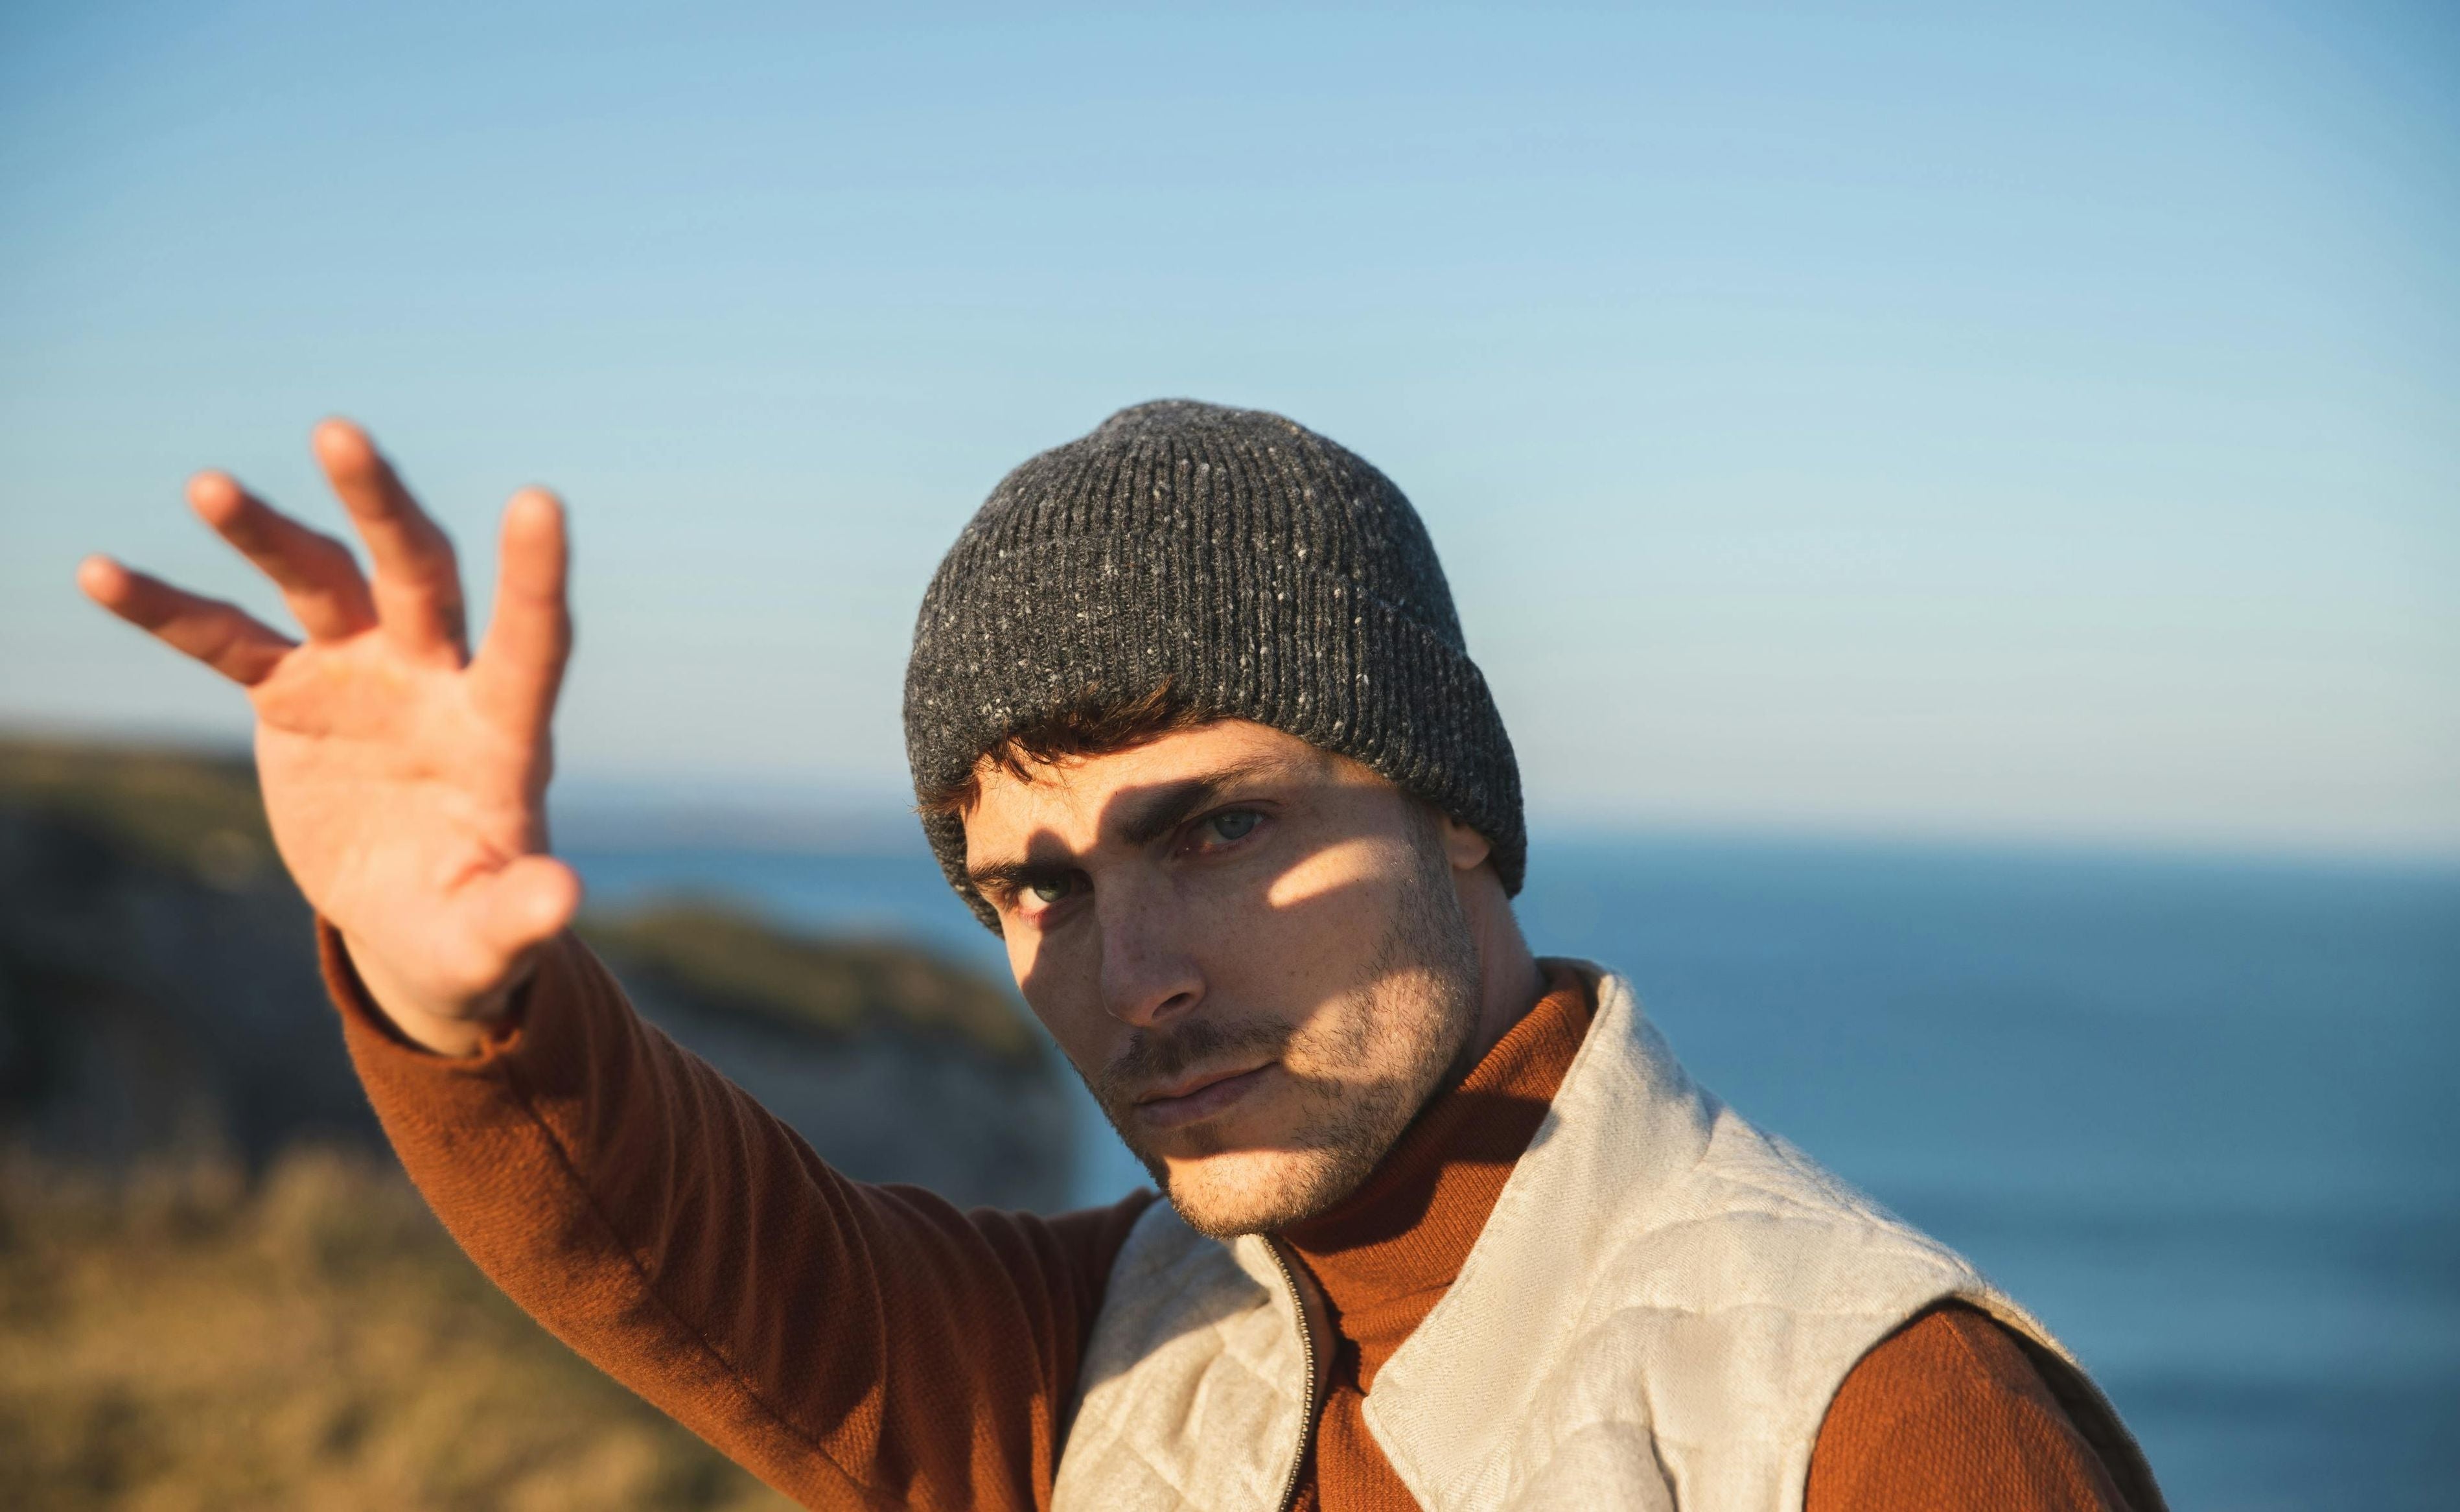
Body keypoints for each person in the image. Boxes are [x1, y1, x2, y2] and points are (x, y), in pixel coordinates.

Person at [80, 401, 2166, 1511]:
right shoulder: (1091, 1349)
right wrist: (456, 994)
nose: (1131, 974)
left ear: (1456, 808)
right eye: (1031, 889)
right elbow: (684, 1239)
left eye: (1222, 828)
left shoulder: (1875, 1420)